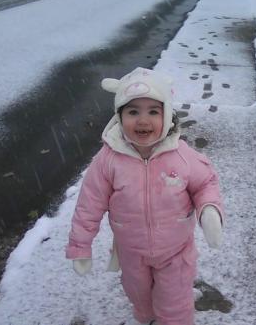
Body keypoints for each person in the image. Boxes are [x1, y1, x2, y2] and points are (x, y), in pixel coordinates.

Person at [66, 67, 224, 325]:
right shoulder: (108, 161)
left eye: (153, 111)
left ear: (168, 114)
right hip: (131, 251)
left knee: (175, 304)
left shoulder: (181, 155)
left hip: (176, 251)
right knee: (138, 295)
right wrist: (80, 245)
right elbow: (89, 205)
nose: (142, 120)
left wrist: (209, 210)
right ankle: (147, 316)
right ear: (119, 116)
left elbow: (205, 182)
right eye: (132, 111)